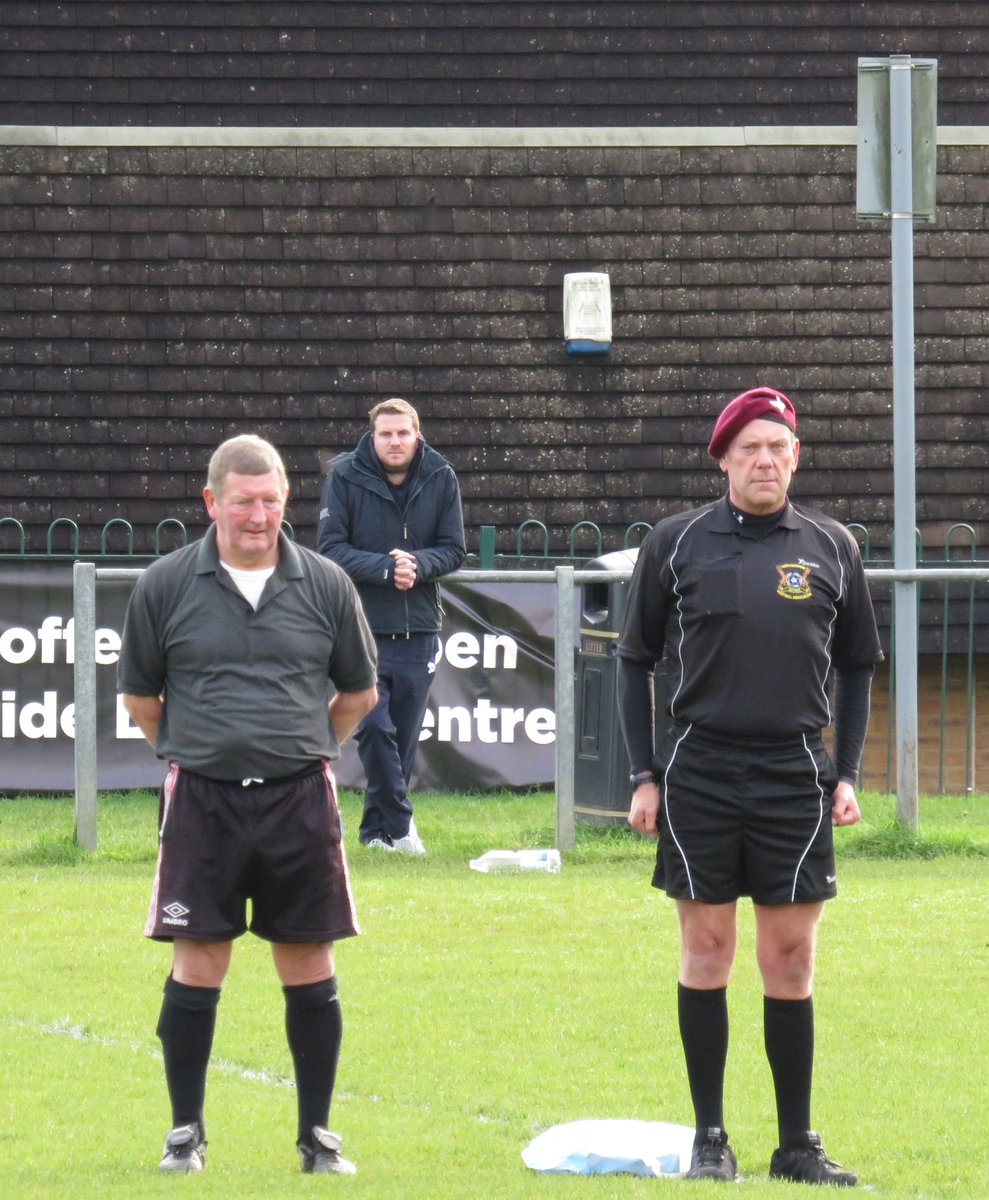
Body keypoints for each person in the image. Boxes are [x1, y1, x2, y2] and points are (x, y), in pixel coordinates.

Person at [616, 387, 883, 1187]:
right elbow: (633, 658)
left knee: (790, 957)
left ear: (794, 457)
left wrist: (847, 773)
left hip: (793, 773)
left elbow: (858, 663)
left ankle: (795, 1144)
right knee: (706, 949)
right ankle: (709, 1139)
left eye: (777, 448)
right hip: (697, 771)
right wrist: (642, 775)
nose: (763, 461)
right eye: (748, 450)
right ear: (724, 460)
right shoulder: (676, 543)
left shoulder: (832, 545)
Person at [118, 434, 378, 1176]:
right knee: (199, 960)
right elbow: (141, 700)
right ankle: (184, 1135)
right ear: (212, 503)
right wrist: (200, 750)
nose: (258, 516)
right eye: (243, 502)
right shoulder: (164, 585)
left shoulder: (327, 583)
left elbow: (358, 694)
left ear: (285, 502)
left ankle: (318, 1138)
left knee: (308, 961)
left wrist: (300, 743)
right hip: (202, 801)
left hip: (299, 800)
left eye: (270, 501)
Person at [317, 398, 465, 854]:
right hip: (358, 630)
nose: (394, 441)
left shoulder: (442, 476)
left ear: (417, 434)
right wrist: (385, 569)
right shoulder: (344, 475)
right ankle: (402, 827)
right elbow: (329, 548)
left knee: (399, 742)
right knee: (374, 728)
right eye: (386, 434)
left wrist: (417, 566)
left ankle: (375, 835)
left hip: (418, 629)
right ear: (372, 436)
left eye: (402, 433)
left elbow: (454, 550)